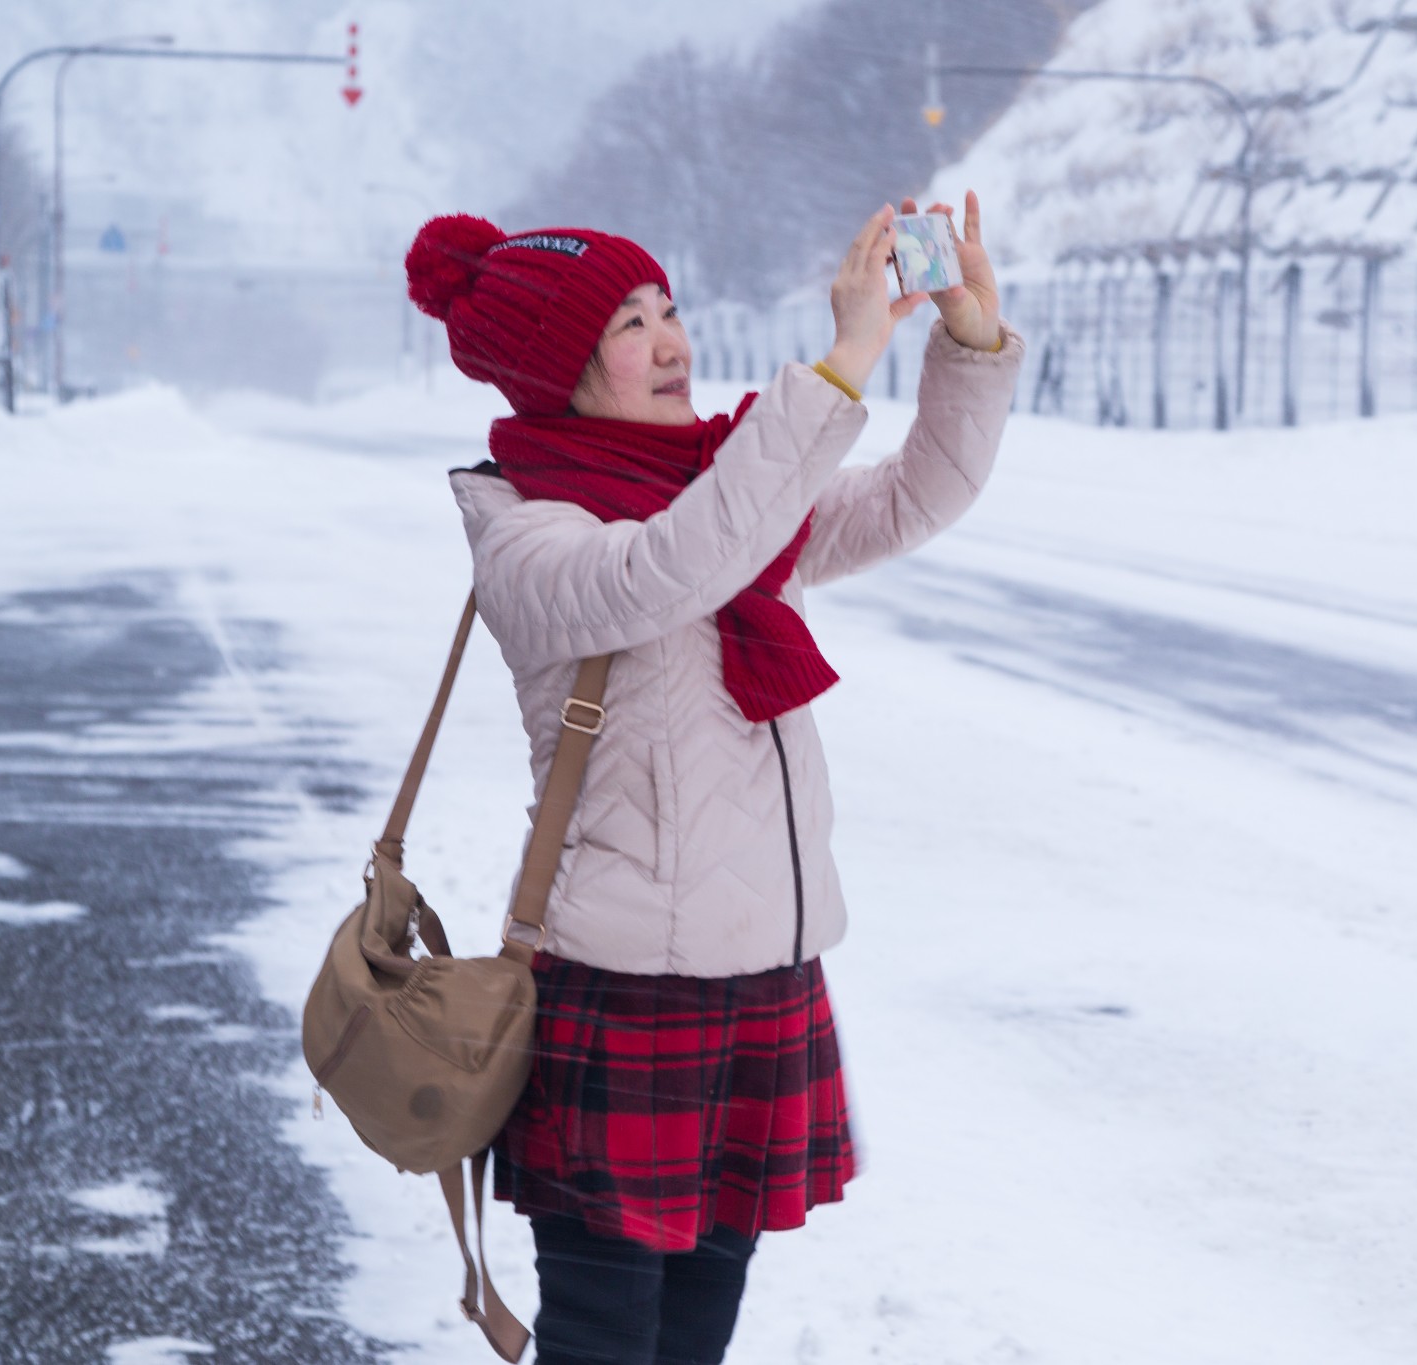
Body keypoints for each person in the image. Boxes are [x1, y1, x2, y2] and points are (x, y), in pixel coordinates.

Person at [403, 194, 1021, 1365]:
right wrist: (836, 368)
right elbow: (671, 570)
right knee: (604, 1342)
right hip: (618, 986)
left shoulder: (722, 494)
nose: (672, 340)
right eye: (628, 325)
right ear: (553, 368)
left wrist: (968, 340)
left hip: (758, 981)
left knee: (697, 1340)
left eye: (667, 308)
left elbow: (911, 495)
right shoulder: (530, 537)